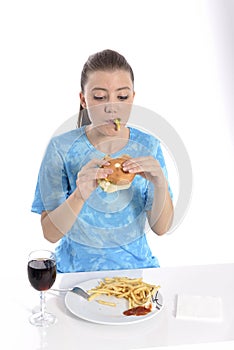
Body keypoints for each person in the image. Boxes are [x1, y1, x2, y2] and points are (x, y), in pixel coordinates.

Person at [31, 49, 174, 273]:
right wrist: (79, 195)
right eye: (99, 97)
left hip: (137, 272)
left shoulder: (149, 146)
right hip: (74, 275)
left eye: (122, 96)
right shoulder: (61, 148)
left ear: (133, 98)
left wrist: (160, 184)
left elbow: (161, 228)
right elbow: (50, 233)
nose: (111, 107)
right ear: (83, 100)